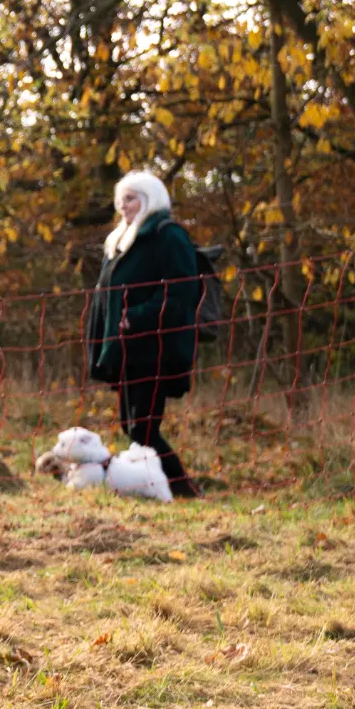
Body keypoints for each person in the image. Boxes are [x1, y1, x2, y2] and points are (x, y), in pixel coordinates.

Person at [84, 170, 201, 498]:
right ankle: (157, 486)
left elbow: (181, 293)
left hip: (155, 349)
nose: (123, 204)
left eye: (131, 198)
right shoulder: (122, 238)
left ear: (150, 199)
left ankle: (180, 487)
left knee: (141, 426)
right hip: (127, 350)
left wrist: (137, 317)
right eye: (121, 198)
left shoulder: (168, 235)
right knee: (131, 425)